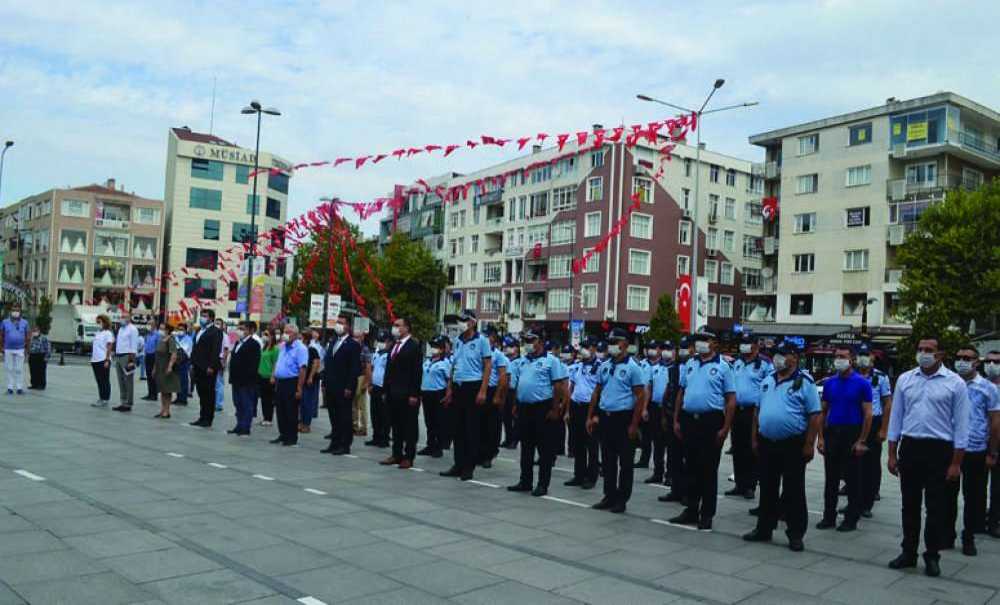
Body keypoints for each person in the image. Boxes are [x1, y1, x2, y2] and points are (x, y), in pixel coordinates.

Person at [887, 337, 970, 577]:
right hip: (911, 447)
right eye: (921, 349)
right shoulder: (905, 379)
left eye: (929, 350)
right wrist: (892, 453)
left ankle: (932, 555)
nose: (924, 353)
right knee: (909, 505)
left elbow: (962, 426)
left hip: (940, 450)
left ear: (941, 355)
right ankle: (908, 553)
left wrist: (956, 462)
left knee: (935, 507)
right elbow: (896, 418)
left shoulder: (954, 383)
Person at [742, 341, 822, 552]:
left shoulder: (805, 382)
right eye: (776, 354)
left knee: (794, 489)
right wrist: (754, 438)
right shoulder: (767, 380)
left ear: (794, 357)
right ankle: (764, 528)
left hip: (793, 444)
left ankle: (795, 534)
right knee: (767, 487)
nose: (778, 358)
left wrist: (809, 443)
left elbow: (815, 415)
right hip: (767, 442)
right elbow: (757, 412)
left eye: (783, 354)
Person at [670, 327, 736, 530]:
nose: (700, 343)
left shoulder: (724, 367)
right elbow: (681, 392)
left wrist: (725, 428)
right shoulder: (690, 363)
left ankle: (707, 513)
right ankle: (691, 508)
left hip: (711, 421)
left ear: (714, 343)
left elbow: (731, 399)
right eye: (698, 340)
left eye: (704, 339)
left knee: (707, 469)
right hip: (690, 420)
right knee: (690, 467)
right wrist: (676, 419)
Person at [945, 345, 999, 556]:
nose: (962, 361)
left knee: (974, 496)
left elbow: (995, 422)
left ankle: (969, 537)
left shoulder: (988, 388)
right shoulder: (949, 383)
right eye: (959, 357)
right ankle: (947, 534)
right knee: (947, 494)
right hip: (950, 447)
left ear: (977, 362)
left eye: (967, 358)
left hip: (976, 448)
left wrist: (992, 452)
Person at [587, 328, 646, 513]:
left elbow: (640, 396)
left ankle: (622, 499)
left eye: (616, 342)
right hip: (606, 418)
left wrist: (634, 425)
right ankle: (609, 495)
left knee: (626, 463)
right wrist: (590, 416)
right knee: (608, 460)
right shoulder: (604, 365)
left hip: (624, 418)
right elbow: (596, 392)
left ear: (626, 345)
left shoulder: (633, 368)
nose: (612, 346)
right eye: (611, 342)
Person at [817, 346, 873, 532]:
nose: (838, 359)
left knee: (853, 479)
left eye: (843, 356)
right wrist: (821, 438)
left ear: (852, 359)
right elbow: (823, 412)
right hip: (833, 432)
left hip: (852, 433)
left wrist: (862, 440)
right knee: (831, 479)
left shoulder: (862, 383)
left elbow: (868, 414)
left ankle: (851, 518)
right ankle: (828, 516)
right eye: (836, 356)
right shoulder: (830, 383)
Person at [507, 328, 568, 497]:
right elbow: (519, 383)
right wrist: (515, 404)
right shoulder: (523, 361)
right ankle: (525, 481)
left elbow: (558, 386)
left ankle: (542, 484)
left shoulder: (551, 361)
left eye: (531, 340)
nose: (527, 344)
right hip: (524, 407)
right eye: (525, 341)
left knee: (544, 449)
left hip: (543, 407)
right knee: (526, 447)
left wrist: (556, 409)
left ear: (540, 341)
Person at [441, 310, 492, 481]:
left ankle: (469, 467)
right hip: (458, 386)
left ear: (472, 322)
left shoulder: (482, 341)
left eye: (464, 321)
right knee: (457, 428)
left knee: (471, 428)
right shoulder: (458, 341)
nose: (461, 324)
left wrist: (483, 390)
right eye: (459, 321)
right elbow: (453, 366)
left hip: (473, 385)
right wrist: (449, 389)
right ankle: (458, 463)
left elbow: (487, 366)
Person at [729, 334, 773, 499]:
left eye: (747, 343)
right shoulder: (737, 362)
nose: (744, 346)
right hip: (737, 411)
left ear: (756, 345)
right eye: (743, 343)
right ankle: (739, 484)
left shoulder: (765, 363)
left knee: (752, 448)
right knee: (737, 448)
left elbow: (769, 385)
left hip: (753, 411)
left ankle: (750, 485)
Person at [380, 317, 423, 469]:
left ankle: (409, 456)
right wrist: (385, 389)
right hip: (393, 392)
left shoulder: (414, 346)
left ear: (406, 328)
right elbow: (388, 369)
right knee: (396, 425)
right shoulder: (394, 346)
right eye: (394, 325)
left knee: (409, 426)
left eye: (398, 325)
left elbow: (417, 372)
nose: (395, 328)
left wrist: (414, 394)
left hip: (407, 393)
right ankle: (396, 454)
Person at [855, 343, 892, 517]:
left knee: (871, 464)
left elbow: (887, 403)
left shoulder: (881, 377)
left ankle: (867, 503)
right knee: (853, 465)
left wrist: (884, 429)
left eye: (866, 354)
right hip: (854, 422)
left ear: (872, 357)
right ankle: (853, 500)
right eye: (860, 354)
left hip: (874, 422)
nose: (863, 357)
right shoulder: (851, 375)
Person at [321, 315, 362, 455]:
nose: (338, 325)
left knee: (344, 416)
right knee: (333, 416)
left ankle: (345, 444)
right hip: (331, 385)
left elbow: (354, 368)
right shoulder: (333, 342)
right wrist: (325, 382)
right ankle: (335, 442)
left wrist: (349, 387)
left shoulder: (353, 344)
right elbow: (328, 364)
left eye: (342, 323)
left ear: (348, 327)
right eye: (337, 322)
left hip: (344, 386)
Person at [566, 338, 600, 489]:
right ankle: (578, 475)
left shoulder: (600, 366)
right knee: (577, 443)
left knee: (591, 444)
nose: (583, 350)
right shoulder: (577, 367)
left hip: (590, 408)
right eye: (582, 348)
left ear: (593, 348)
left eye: (586, 347)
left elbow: (600, 391)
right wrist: (567, 410)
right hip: (575, 406)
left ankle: (591, 477)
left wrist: (596, 414)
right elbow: (571, 388)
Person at [657, 341, 686, 503]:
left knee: (686, 457)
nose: (681, 351)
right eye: (679, 348)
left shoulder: (692, 366)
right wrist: (664, 413)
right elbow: (670, 389)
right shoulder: (673, 368)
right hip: (670, 413)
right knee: (673, 454)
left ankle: (686, 492)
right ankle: (675, 489)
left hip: (685, 415)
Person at [270, 324, 309, 446]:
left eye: (289, 332)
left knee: (290, 411)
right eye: (284, 332)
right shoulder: (282, 346)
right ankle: (283, 434)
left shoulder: (300, 348)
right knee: (280, 410)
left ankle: (291, 437)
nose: (285, 334)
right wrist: (273, 375)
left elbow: (302, 369)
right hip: (280, 382)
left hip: (292, 382)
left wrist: (299, 388)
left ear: (296, 335)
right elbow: (278, 362)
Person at [480, 328, 509, 468]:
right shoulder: (480, 352)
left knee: (492, 425)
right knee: (480, 424)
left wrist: (498, 395)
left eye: (488, 336)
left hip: (492, 390)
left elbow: (503, 376)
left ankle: (489, 454)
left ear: (493, 338)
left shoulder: (498, 355)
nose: (485, 339)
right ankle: (479, 452)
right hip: (480, 388)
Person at [189, 310, 223, 427]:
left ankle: (208, 419)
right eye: (201, 316)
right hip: (198, 366)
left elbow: (215, 350)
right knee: (201, 392)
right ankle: (202, 416)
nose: (202, 318)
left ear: (211, 318)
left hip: (208, 367)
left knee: (209, 393)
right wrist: (192, 363)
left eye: (205, 316)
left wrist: (211, 366)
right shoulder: (200, 330)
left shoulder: (216, 331)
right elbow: (196, 348)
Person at [419, 335, 452, 458]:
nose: (433, 349)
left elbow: (449, 380)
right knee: (429, 421)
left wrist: (448, 395)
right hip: (426, 393)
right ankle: (430, 445)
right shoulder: (427, 361)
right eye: (432, 347)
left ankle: (438, 447)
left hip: (438, 393)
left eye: (436, 347)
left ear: (442, 349)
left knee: (439, 422)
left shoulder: (445, 363)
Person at [228, 321, 262, 436]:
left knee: (246, 404)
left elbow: (253, 364)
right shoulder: (238, 343)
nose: (240, 331)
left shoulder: (254, 344)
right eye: (239, 328)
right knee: (237, 404)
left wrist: (248, 378)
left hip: (246, 381)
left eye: (243, 329)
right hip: (236, 379)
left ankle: (245, 427)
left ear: (251, 330)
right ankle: (239, 425)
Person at [635, 340, 660, 469]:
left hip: (654, 402)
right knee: (644, 433)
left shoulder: (661, 365)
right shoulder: (642, 364)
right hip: (641, 400)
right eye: (649, 348)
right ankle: (643, 460)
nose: (650, 350)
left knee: (656, 435)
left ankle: (658, 465)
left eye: (653, 348)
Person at [366, 331, 392, 447]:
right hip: (375, 386)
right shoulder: (376, 353)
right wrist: (369, 384)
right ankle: (375, 436)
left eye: (383, 341)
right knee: (374, 413)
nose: (381, 343)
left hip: (383, 388)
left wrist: (387, 390)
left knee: (384, 414)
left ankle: (384, 438)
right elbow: (371, 368)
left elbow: (390, 374)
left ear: (390, 342)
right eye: (380, 341)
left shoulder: (390, 355)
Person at [985, 350, 1000, 537]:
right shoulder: (979, 385)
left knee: (997, 486)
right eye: (988, 361)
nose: (991, 365)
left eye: (996, 361)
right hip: (979, 440)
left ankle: (994, 520)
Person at [501, 337, 526, 449]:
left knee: (515, 417)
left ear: (517, 348)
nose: (507, 349)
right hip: (506, 390)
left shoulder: (521, 361)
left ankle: (515, 440)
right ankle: (508, 438)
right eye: (507, 346)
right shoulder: (505, 360)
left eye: (510, 347)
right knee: (506, 416)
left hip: (516, 391)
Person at [113, 315, 140, 412]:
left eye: (124, 317)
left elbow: (133, 345)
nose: (122, 319)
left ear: (129, 318)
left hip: (127, 356)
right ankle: (123, 402)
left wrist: (132, 360)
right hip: (119, 356)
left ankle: (129, 403)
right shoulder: (121, 329)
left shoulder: (132, 329)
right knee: (121, 380)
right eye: (121, 317)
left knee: (128, 381)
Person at [2, 304, 31, 395]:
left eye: (17, 310)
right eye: (14, 310)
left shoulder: (25, 322)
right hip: (8, 348)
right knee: (9, 368)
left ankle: (19, 388)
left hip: (20, 349)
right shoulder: (5, 322)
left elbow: (28, 336)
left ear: (20, 312)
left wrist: (27, 349)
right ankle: (10, 388)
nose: (15, 312)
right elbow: (1, 335)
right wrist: (1, 347)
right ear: (10, 311)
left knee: (19, 369)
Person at [153, 323, 179, 419]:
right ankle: (162, 409)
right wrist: (154, 368)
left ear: (168, 330)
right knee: (162, 389)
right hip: (159, 367)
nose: (161, 330)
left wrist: (170, 366)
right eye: (160, 328)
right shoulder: (160, 339)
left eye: (163, 329)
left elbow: (174, 354)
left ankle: (167, 411)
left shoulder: (171, 340)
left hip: (166, 366)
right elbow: (157, 355)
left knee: (167, 390)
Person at [299, 329, 323, 434]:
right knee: (301, 403)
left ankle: (306, 424)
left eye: (301, 337)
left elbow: (316, 363)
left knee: (307, 402)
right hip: (301, 379)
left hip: (309, 379)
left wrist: (310, 377)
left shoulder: (312, 350)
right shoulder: (301, 349)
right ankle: (301, 422)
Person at [89, 315, 115, 407]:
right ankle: (101, 397)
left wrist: (107, 359)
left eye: (99, 322)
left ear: (104, 322)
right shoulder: (98, 333)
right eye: (97, 322)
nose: (98, 324)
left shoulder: (108, 333)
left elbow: (109, 346)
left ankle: (105, 398)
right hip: (95, 360)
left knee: (104, 380)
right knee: (99, 380)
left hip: (103, 359)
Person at [257, 329, 279, 426]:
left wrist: (273, 376)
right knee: (263, 398)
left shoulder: (275, 349)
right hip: (261, 376)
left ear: (272, 336)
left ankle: (269, 419)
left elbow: (275, 363)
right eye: (263, 334)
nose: (264, 336)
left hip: (269, 376)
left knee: (269, 399)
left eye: (266, 334)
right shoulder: (264, 347)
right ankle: (265, 417)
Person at [354, 330, 371, 437]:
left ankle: (363, 427)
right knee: (353, 404)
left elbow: (368, 367)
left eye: (358, 337)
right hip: (352, 377)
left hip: (361, 376)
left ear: (362, 338)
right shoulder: (352, 348)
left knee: (362, 404)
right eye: (354, 337)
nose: (356, 339)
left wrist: (366, 382)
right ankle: (354, 426)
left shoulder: (364, 349)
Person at [215, 319, 233, 414]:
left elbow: (226, 350)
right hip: (214, 360)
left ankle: (219, 404)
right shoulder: (215, 335)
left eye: (219, 324)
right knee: (214, 383)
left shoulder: (224, 336)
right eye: (216, 323)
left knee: (219, 383)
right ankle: (214, 402)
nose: (217, 325)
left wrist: (224, 362)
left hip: (220, 360)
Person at [173, 324, 192, 406]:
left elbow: (186, 350)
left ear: (185, 330)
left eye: (182, 329)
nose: (180, 331)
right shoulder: (176, 338)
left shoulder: (188, 339)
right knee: (177, 381)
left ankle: (183, 399)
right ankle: (178, 397)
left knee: (183, 381)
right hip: (176, 361)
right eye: (179, 329)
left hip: (184, 361)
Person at [141, 324, 161, 401]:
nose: (148, 326)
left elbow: (158, 347)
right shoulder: (148, 335)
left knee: (153, 375)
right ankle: (150, 393)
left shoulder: (157, 335)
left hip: (154, 355)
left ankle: (154, 394)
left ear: (154, 326)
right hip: (147, 355)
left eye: (150, 324)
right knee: (148, 375)